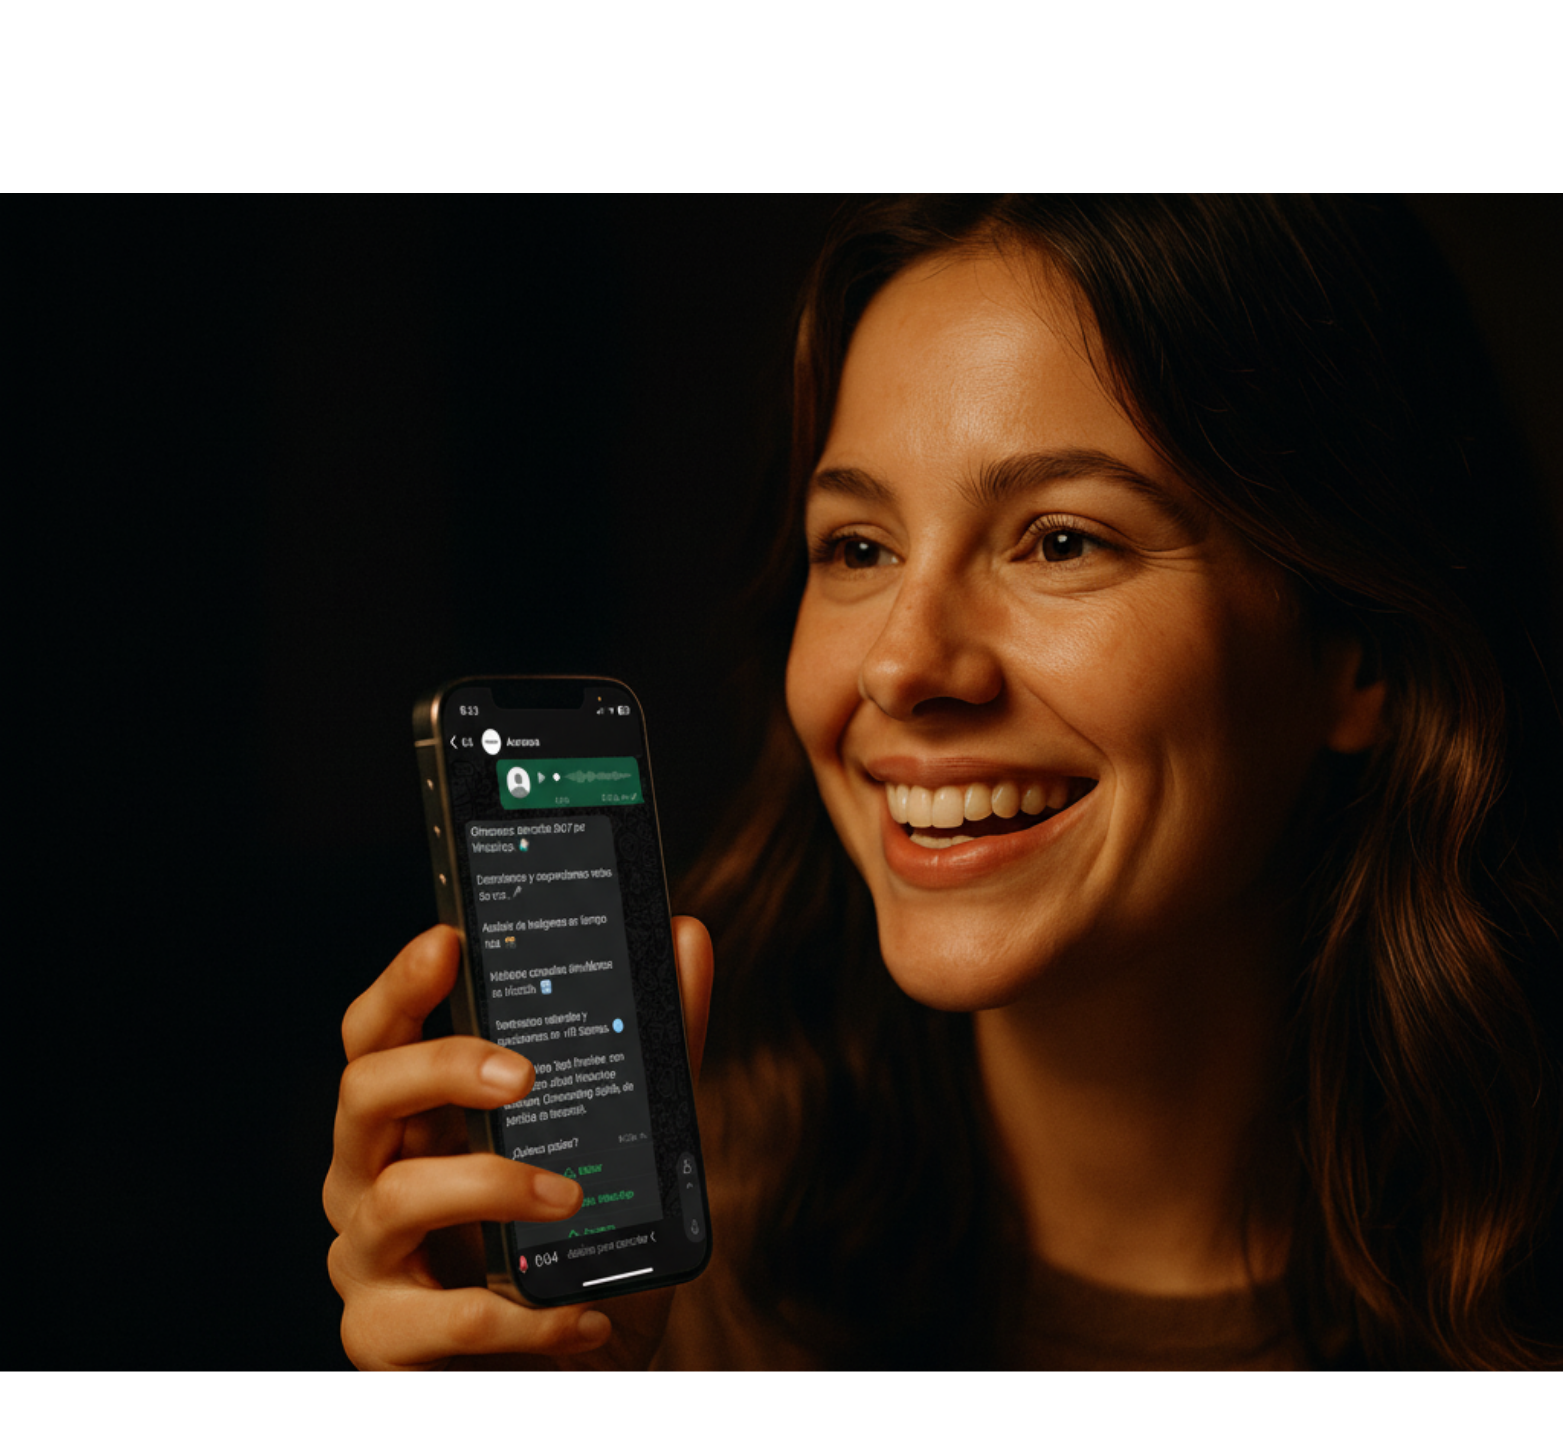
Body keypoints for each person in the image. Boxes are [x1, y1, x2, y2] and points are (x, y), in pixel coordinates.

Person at [326, 195, 1562, 1370]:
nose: (902, 665)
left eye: (1061, 541)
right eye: (858, 548)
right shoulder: (664, 1291)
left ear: (1356, 653)